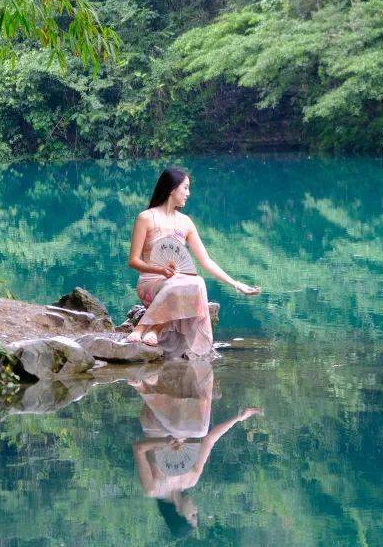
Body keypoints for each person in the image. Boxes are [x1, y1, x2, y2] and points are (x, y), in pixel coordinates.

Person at [127, 166, 260, 356]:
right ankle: (143, 328)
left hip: (179, 284)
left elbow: (206, 261)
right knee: (183, 284)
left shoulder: (186, 222)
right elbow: (133, 261)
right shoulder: (146, 218)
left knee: (197, 281)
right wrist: (160, 271)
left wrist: (237, 284)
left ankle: (152, 329)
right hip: (151, 283)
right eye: (186, 188)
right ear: (172, 189)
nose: (188, 194)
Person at [131, 359, 262, 533]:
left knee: (198, 427)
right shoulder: (191, 480)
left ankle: (144, 388)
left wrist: (165, 442)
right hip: (178, 421)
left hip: (155, 425)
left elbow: (138, 448)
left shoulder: (153, 488)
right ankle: (171, 373)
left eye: (193, 516)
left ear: (179, 513)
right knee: (198, 407)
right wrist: (238, 418)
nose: (196, 511)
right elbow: (209, 441)